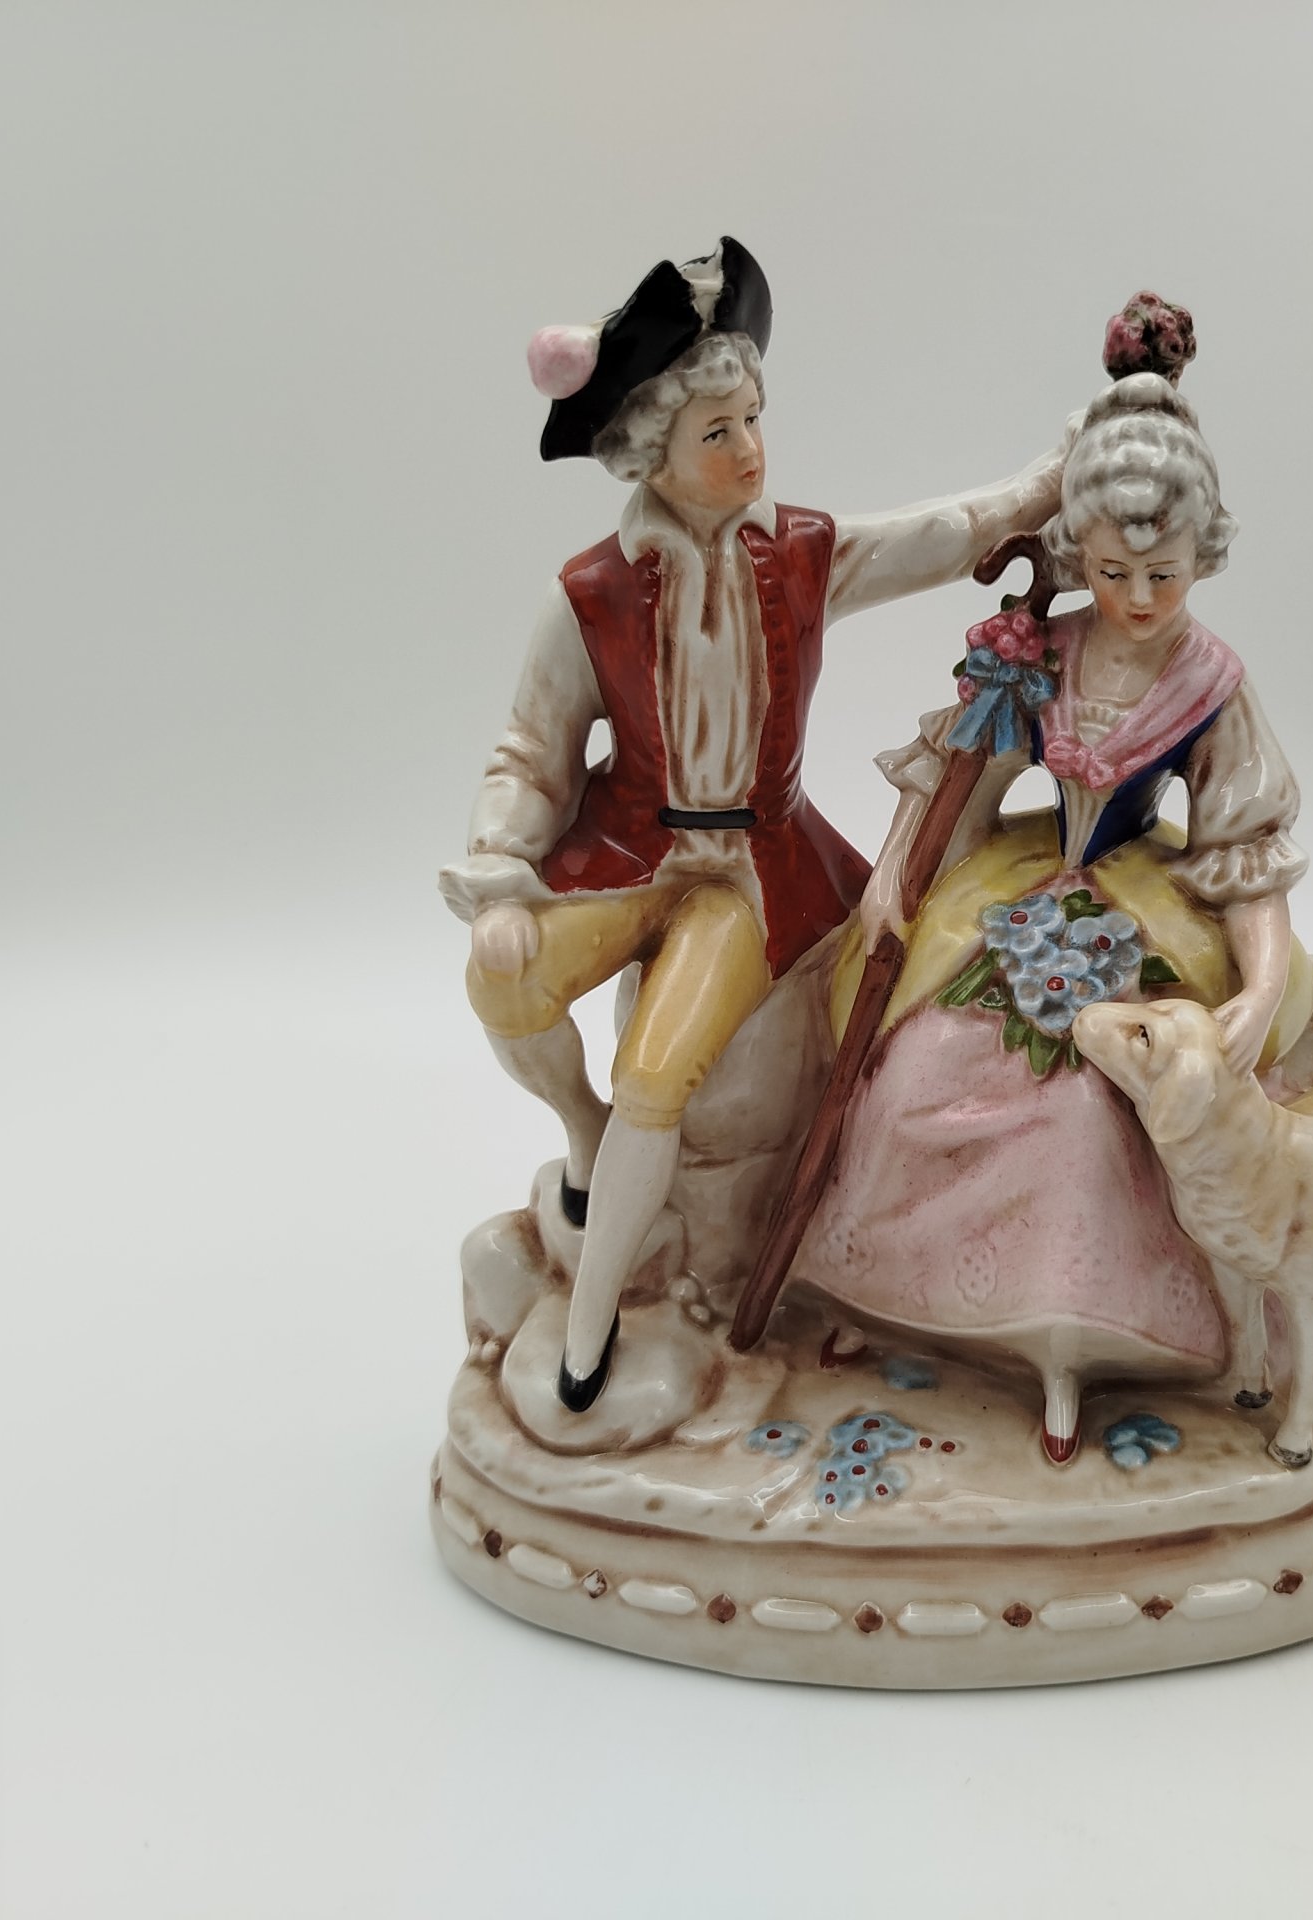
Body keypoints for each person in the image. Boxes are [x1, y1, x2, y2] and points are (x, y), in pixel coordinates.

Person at [439, 237, 1062, 1411]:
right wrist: (501, 868)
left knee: (657, 1073)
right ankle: (580, 1133)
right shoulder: (592, 592)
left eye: (754, 419)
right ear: (653, 453)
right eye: (717, 432)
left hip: (748, 871)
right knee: (499, 979)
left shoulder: (803, 553)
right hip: (627, 847)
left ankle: (589, 1323)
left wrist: (1039, 487)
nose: (749, 449)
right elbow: (530, 751)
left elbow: (933, 537)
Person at [792, 297, 1313, 1462]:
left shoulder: (1211, 686)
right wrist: (895, 881)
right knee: (918, 1073)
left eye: (1163, 573)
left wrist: (1260, 985)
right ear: (1078, 556)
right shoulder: (1042, 653)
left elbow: (1246, 850)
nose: (1139, 598)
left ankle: (1081, 1345)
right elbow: (958, 781)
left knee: (1094, 1110)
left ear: (1201, 557)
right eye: (1112, 571)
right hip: (1021, 886)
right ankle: (886, 1299)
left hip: (1145, 902)